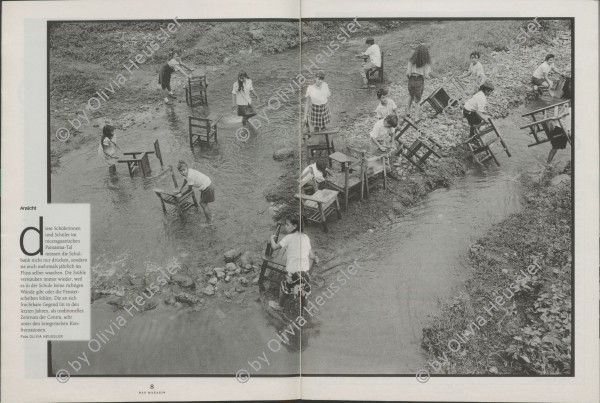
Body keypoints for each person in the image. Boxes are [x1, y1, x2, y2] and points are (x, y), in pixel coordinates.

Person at [268, 216, 318, 311]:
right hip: (304, 271)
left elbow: (274, 247)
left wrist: (271, 239)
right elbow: (311, 255)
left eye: (287, 225)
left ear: (294, 226)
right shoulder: (305, 237)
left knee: (283, 288)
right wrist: (315, 258)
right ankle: (304, 309)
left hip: (293, 271)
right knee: (303, 290)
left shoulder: (289, 238)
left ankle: (280, 306)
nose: (285, 226)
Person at [177, 161, 214, 225]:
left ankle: (209, 222)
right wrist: (181, 189)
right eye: (181, 171)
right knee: (204, 203)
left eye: (184, 170)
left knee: (203, 204)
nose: (183, 172)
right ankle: (210, 216)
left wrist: (181, 194)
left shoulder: (190, 176)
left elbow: (189, 189)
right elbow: (185, 180)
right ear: (179, 171)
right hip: (207, 185)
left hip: (207, 187)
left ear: (187, 168)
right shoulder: (187, 173)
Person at [406, 45, 432, 121]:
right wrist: (428, 77)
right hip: (419, 80)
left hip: (411, 79)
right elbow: (426, 75)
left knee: (411, 96)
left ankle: (408, 112)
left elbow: (407, 73)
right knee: (417, 100)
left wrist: (410, 79)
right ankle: (416, 117)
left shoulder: (411, 61)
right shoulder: (426, 63)